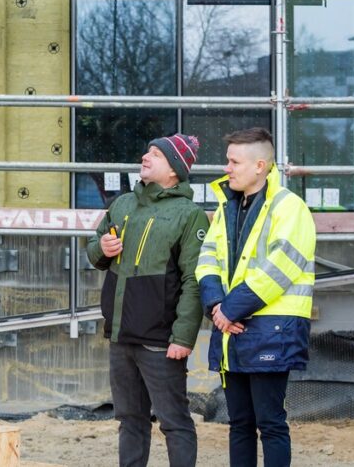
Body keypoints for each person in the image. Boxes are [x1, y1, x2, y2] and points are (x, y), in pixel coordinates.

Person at [195, 127, 316, 467]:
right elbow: (208, 259)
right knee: (239, 424)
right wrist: (217, 306)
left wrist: (227, 310)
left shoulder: (289, 207)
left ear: (260, 165)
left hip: (271, 329)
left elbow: (283, 266)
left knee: (270, 423)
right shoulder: (227, 208)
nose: (226, 168)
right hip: (233, 327)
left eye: (234, 161)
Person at [87, 134, 209, 467]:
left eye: (156, 154)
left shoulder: (189, 215)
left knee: (175, 422)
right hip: (121, 335)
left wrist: (183, 337)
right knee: (130, 420)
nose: (145, 156)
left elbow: (193, 280)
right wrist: (102, 250)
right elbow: (95, 246)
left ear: (175, 171)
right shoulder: (123, 204)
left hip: (160, 341)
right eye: (147, 150)